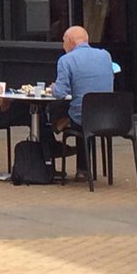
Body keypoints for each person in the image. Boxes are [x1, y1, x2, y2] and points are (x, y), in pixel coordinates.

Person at [50, 25, 115, 179]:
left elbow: (60, 93)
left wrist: (53, 87)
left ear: (70, 41)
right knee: (83, 109)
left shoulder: (66, 60)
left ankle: (52, 147)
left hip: (83, 117)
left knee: (51, 110)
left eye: (63, 41)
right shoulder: (105, 55)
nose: (63, 46)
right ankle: (83, 170)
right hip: (110, 117)